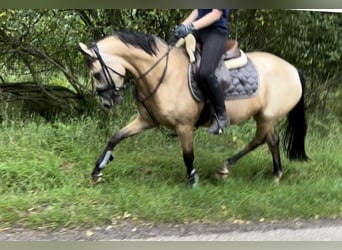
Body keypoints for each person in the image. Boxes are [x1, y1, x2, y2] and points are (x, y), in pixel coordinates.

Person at [174, 9, 230, 135]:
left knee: (205, 72)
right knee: (173, 53)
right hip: (198, 32)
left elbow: (216, 14)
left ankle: (221, 116)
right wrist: (183, 26)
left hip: (215, 33)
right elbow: (197, 10)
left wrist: (191, 26)